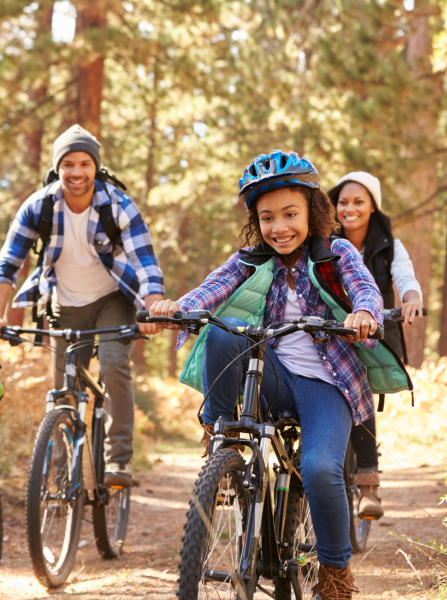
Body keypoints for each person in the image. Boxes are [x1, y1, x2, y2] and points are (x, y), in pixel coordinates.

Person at [149, 150, 394, 598]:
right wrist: (177, 309)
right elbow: (211, 290)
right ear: (255, 221)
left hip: (326, 384)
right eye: (267, 218)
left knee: (320, 469)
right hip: (274, 378)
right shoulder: (249, 260)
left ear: (313, 211)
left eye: (290, 214)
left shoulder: (334, 252)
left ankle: (335, 573)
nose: (279, 227)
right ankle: (222, 438)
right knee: (225, 330)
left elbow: (364, 286)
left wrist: (363, 312)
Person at [0, 125, 164, 488]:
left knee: (113, 365)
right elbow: (7, 265)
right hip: (63, 302)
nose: (76, 172)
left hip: (113, 299)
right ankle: (63, 474)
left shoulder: (118, 205)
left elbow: (145, 263)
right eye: (68, 164)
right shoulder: (39, 206)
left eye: (84, 163)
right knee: (63, 391)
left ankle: (119, 460)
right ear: (57, 167)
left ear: (95, 166)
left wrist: (152, 307)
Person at [328, 172, 424, 519]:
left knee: (359, 385)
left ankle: (368, 485)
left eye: (358, 202)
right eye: (342, 202)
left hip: (371, 333)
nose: (349, 209)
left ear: (372, 208)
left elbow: (406, 279)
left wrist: (411, 300)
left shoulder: (390, 246)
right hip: (327, 329)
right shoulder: (322, 240)